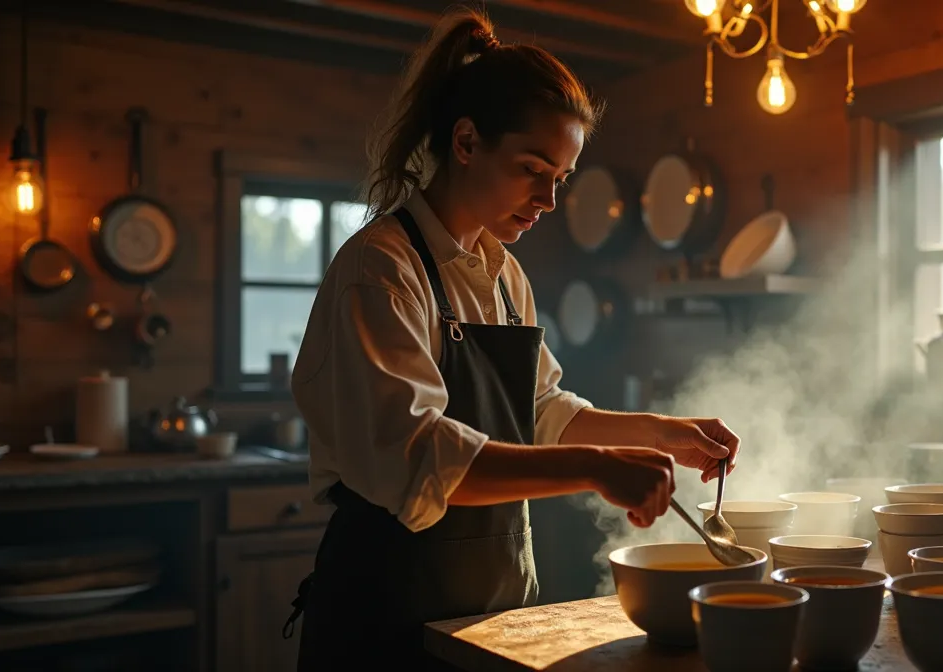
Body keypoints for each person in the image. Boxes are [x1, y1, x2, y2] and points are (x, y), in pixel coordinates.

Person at [283, 7, 742, 670]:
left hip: (493, 608)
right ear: (466, 142)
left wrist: (662, 432)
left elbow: (539, 412)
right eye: (532, 169)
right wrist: (594, 467)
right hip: (384, 619)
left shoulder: (502, 274)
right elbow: (418, 454)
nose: (548, 200)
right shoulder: (380, 268)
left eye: (560, 179)